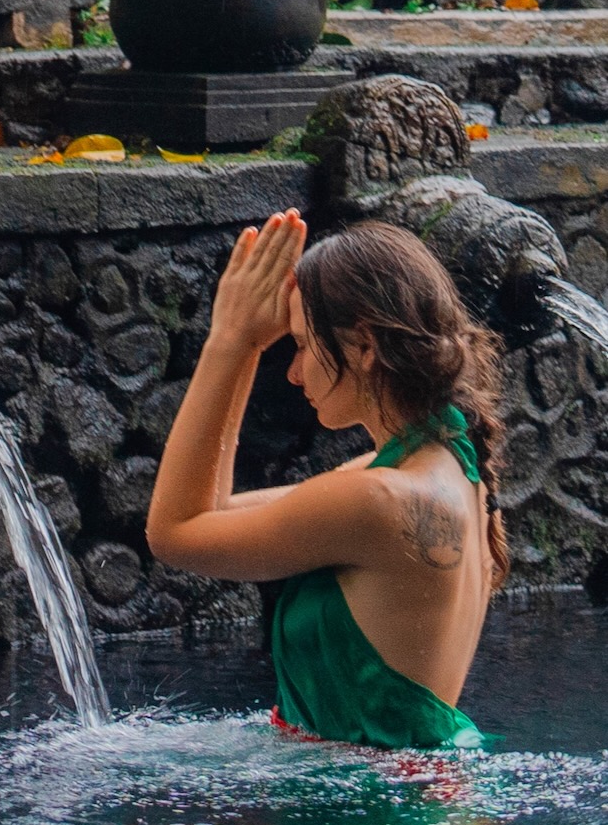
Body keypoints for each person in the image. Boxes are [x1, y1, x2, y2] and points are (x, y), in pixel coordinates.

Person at [146, 209, 507, 749]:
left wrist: (233, 341)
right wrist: (247, 347)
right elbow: (212, 512)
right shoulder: (446, 465)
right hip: (413, 803)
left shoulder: (374, 500)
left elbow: (175, 531)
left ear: (364, 347)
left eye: (299, 344)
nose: (292, 372)